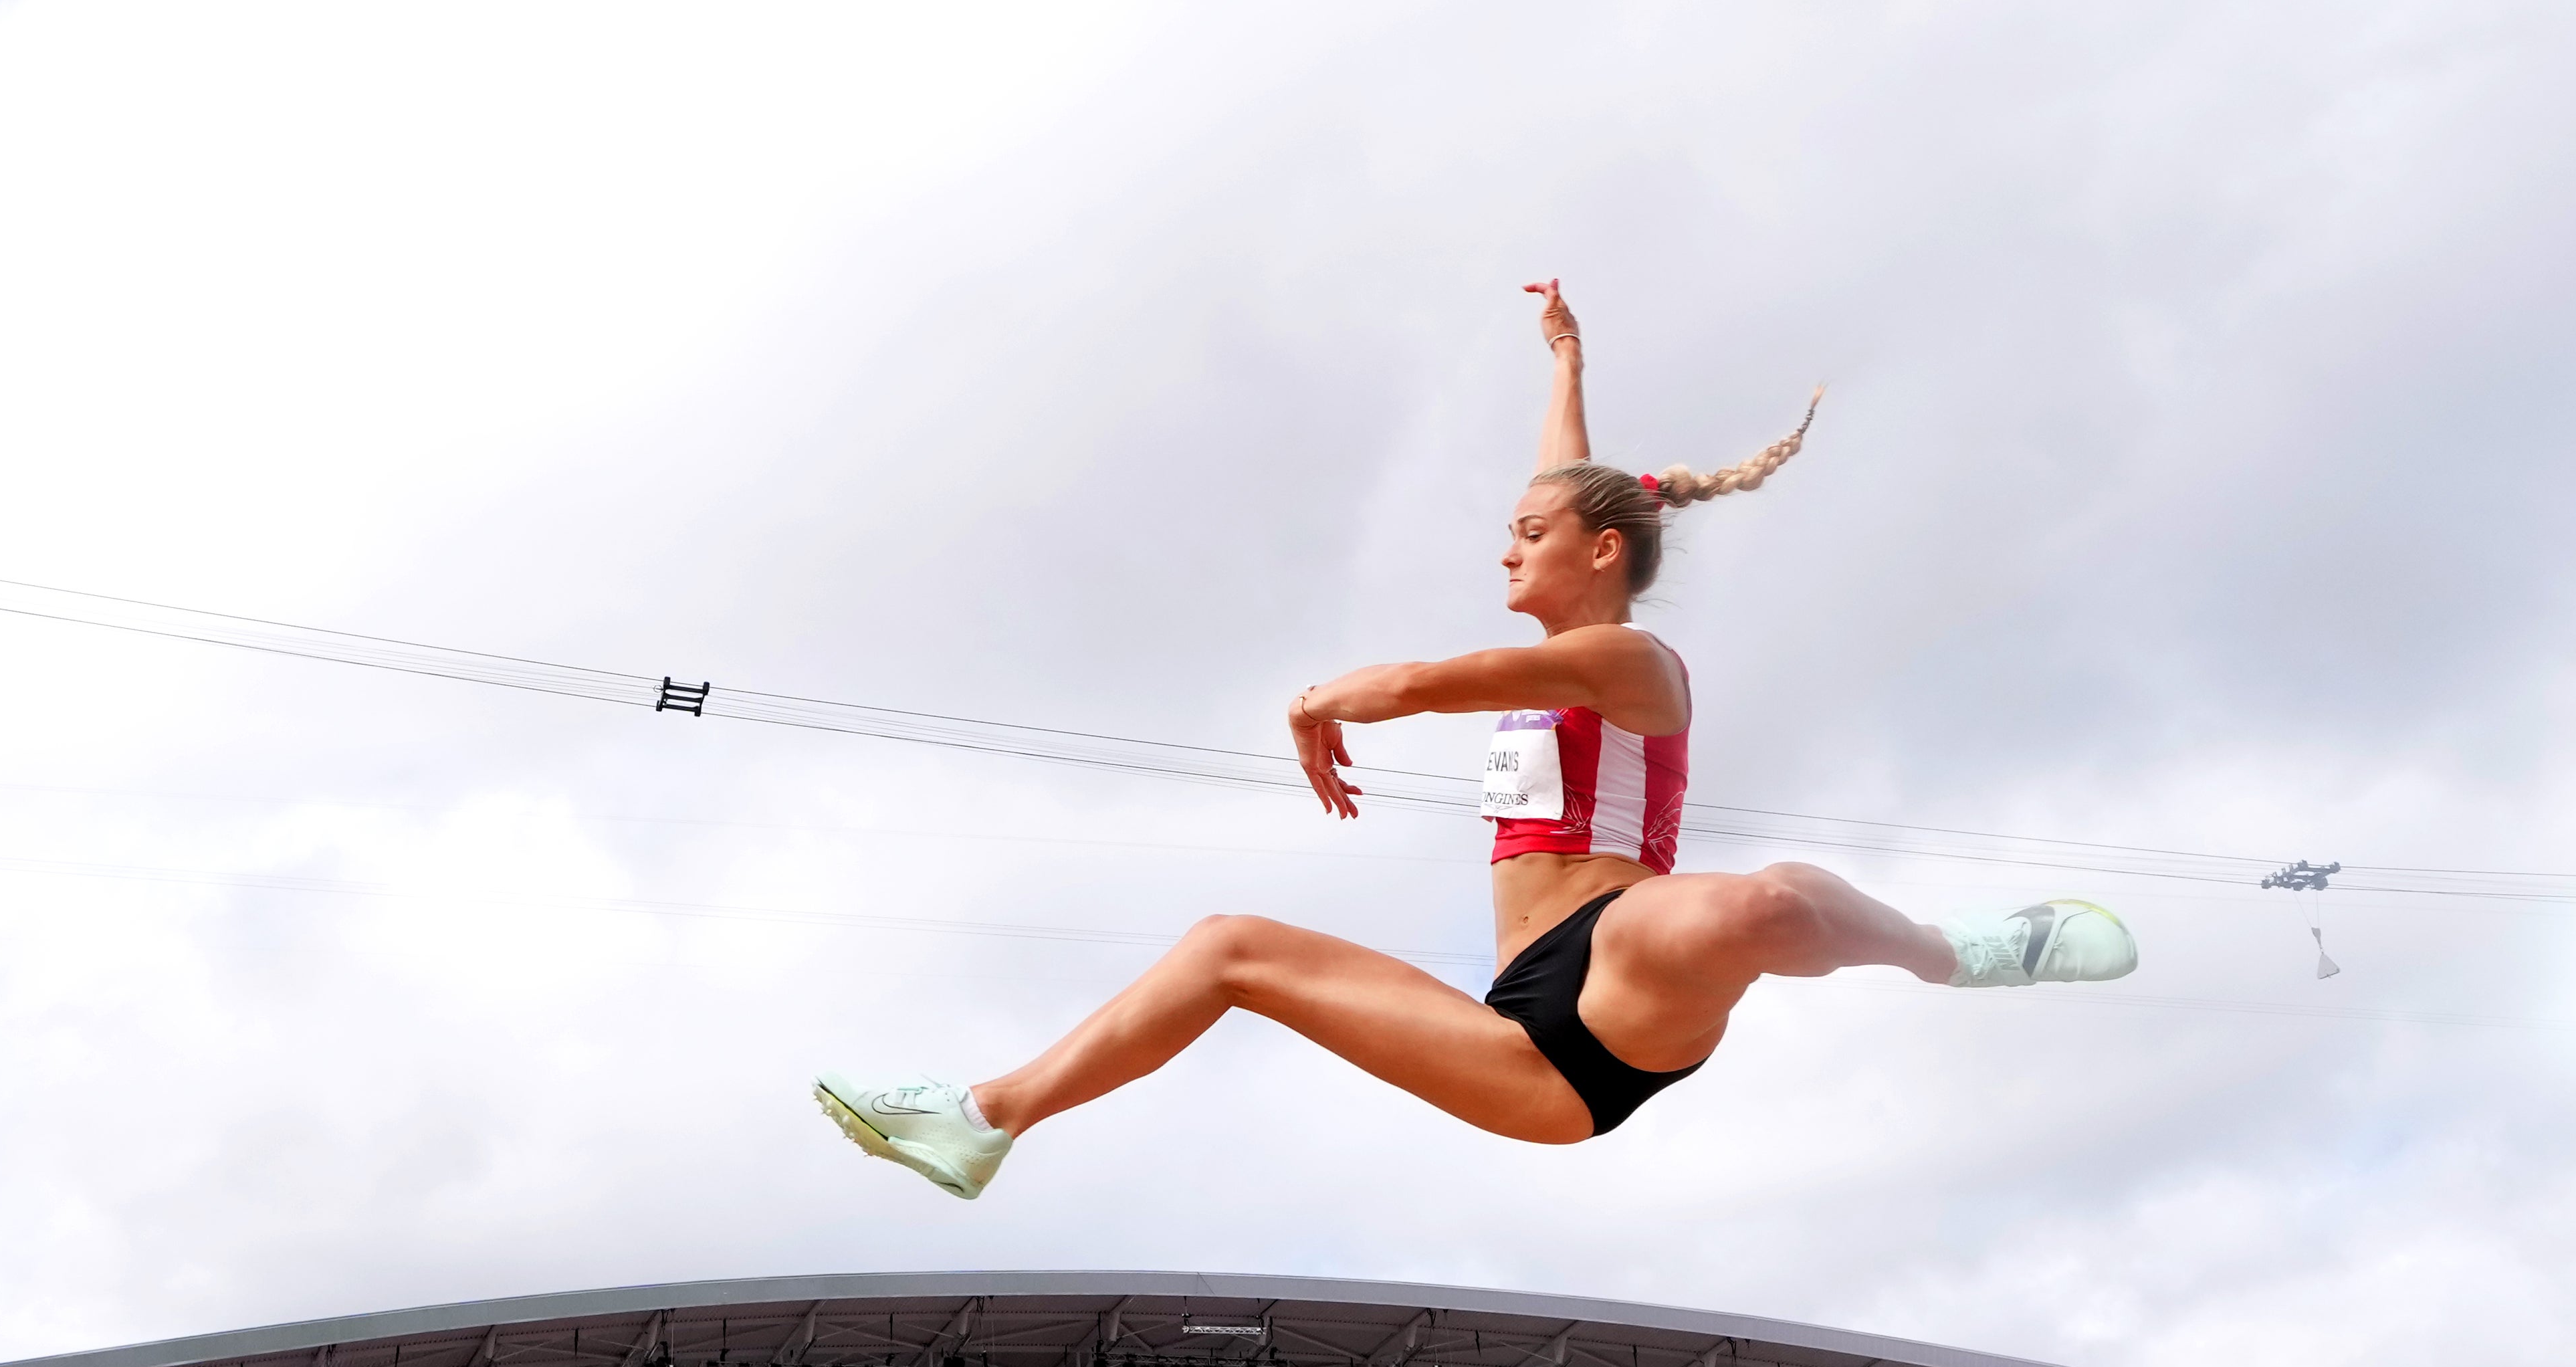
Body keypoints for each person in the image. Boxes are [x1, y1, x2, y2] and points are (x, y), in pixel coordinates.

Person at [819, 280, 2135, 1199]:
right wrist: (1564, 368)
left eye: (1527, 534)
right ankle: (982, 1121)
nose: (1503, 543)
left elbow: (1437, 679)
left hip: (1626, 970)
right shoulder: (1574, 607)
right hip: (1523, 1041)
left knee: (1760, 902)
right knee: (1224, 947)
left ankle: (1954, 951)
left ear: (1600, 555)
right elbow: (1568, 495)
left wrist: (1325, 696)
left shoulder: (1628, 661)